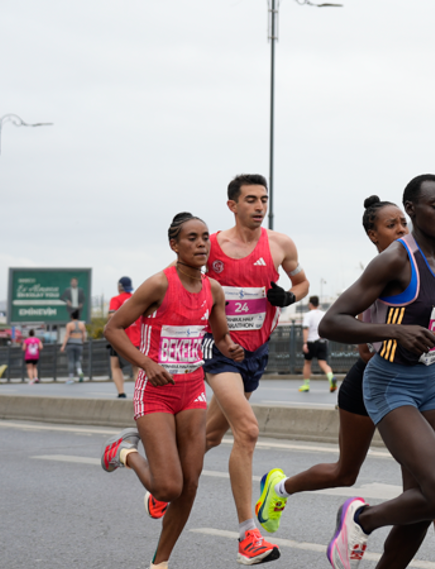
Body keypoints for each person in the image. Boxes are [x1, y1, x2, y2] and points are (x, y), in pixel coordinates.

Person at [254, 195, 435, 569]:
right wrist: (391, 335)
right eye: (392, 225)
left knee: (426, 487)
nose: (402, 230)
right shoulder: (383, 268)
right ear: (373, 235)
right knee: (346, 472)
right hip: (373, 380)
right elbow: (349, 332)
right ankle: (280, 487)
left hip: (417, 380)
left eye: (403, 223)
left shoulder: (432, 265)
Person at [319, 175, 435, 569]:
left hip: (433, 387)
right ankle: (361, 519)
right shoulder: (396, 260)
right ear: (411, 209)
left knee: (422, 507)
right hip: (390, 384)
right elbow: (331, 323)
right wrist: (393, 330)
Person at [100, 212, 245, 569]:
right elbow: (113, 329)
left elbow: (220, 334)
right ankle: (125, 453)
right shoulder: (158, 285)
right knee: (168, 488)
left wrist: (230, 347)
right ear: (174, 245)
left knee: (190, 483)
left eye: (205, 237)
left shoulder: (213, 288)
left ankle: (159, 563)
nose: (200, 244)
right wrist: (147, 363)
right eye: (191, 238)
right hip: (154, 392)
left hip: (192, 389)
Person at [203, 173, 309, 565]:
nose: (259, 206)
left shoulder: (280, 244)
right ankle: (248, 534)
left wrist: (288, 295)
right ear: (232, 205)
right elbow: (184, 288)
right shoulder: (210, 246)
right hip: (218, 351)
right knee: (246, 430)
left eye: (263, 199)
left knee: (211, 436)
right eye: (250, 199)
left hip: (256, 352)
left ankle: (161, 482)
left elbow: (302, 283)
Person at [108, 276, 142, 398]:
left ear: (119, 286)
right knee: (137, 368)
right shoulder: (136, 299)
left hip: (120, 339)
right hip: (137, 339)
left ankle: (121, 393)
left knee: (116, 367)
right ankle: (139, 394)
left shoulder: (115, 299)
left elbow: (112, 316)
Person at [299, 296, 336, 393]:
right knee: (323, 363)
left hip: (311, 341)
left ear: (310, 304)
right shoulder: (323, 314)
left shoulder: (308, 315)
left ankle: (306, 385)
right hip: (322, 341)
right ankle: (331, 377)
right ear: (318, 304)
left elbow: (306, 329)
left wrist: (305, 343)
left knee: (307, 363)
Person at [60, 310, 87, 384]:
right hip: (79, 344)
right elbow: (84, 335)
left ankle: (71, 377)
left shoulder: (69, 324)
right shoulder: (82, 324)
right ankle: (80, 372)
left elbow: (67, 335)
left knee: (71, 360)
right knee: (78, 360)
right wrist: (82, 342)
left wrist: (63, 346)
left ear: (71, 317)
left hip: (70, 344)